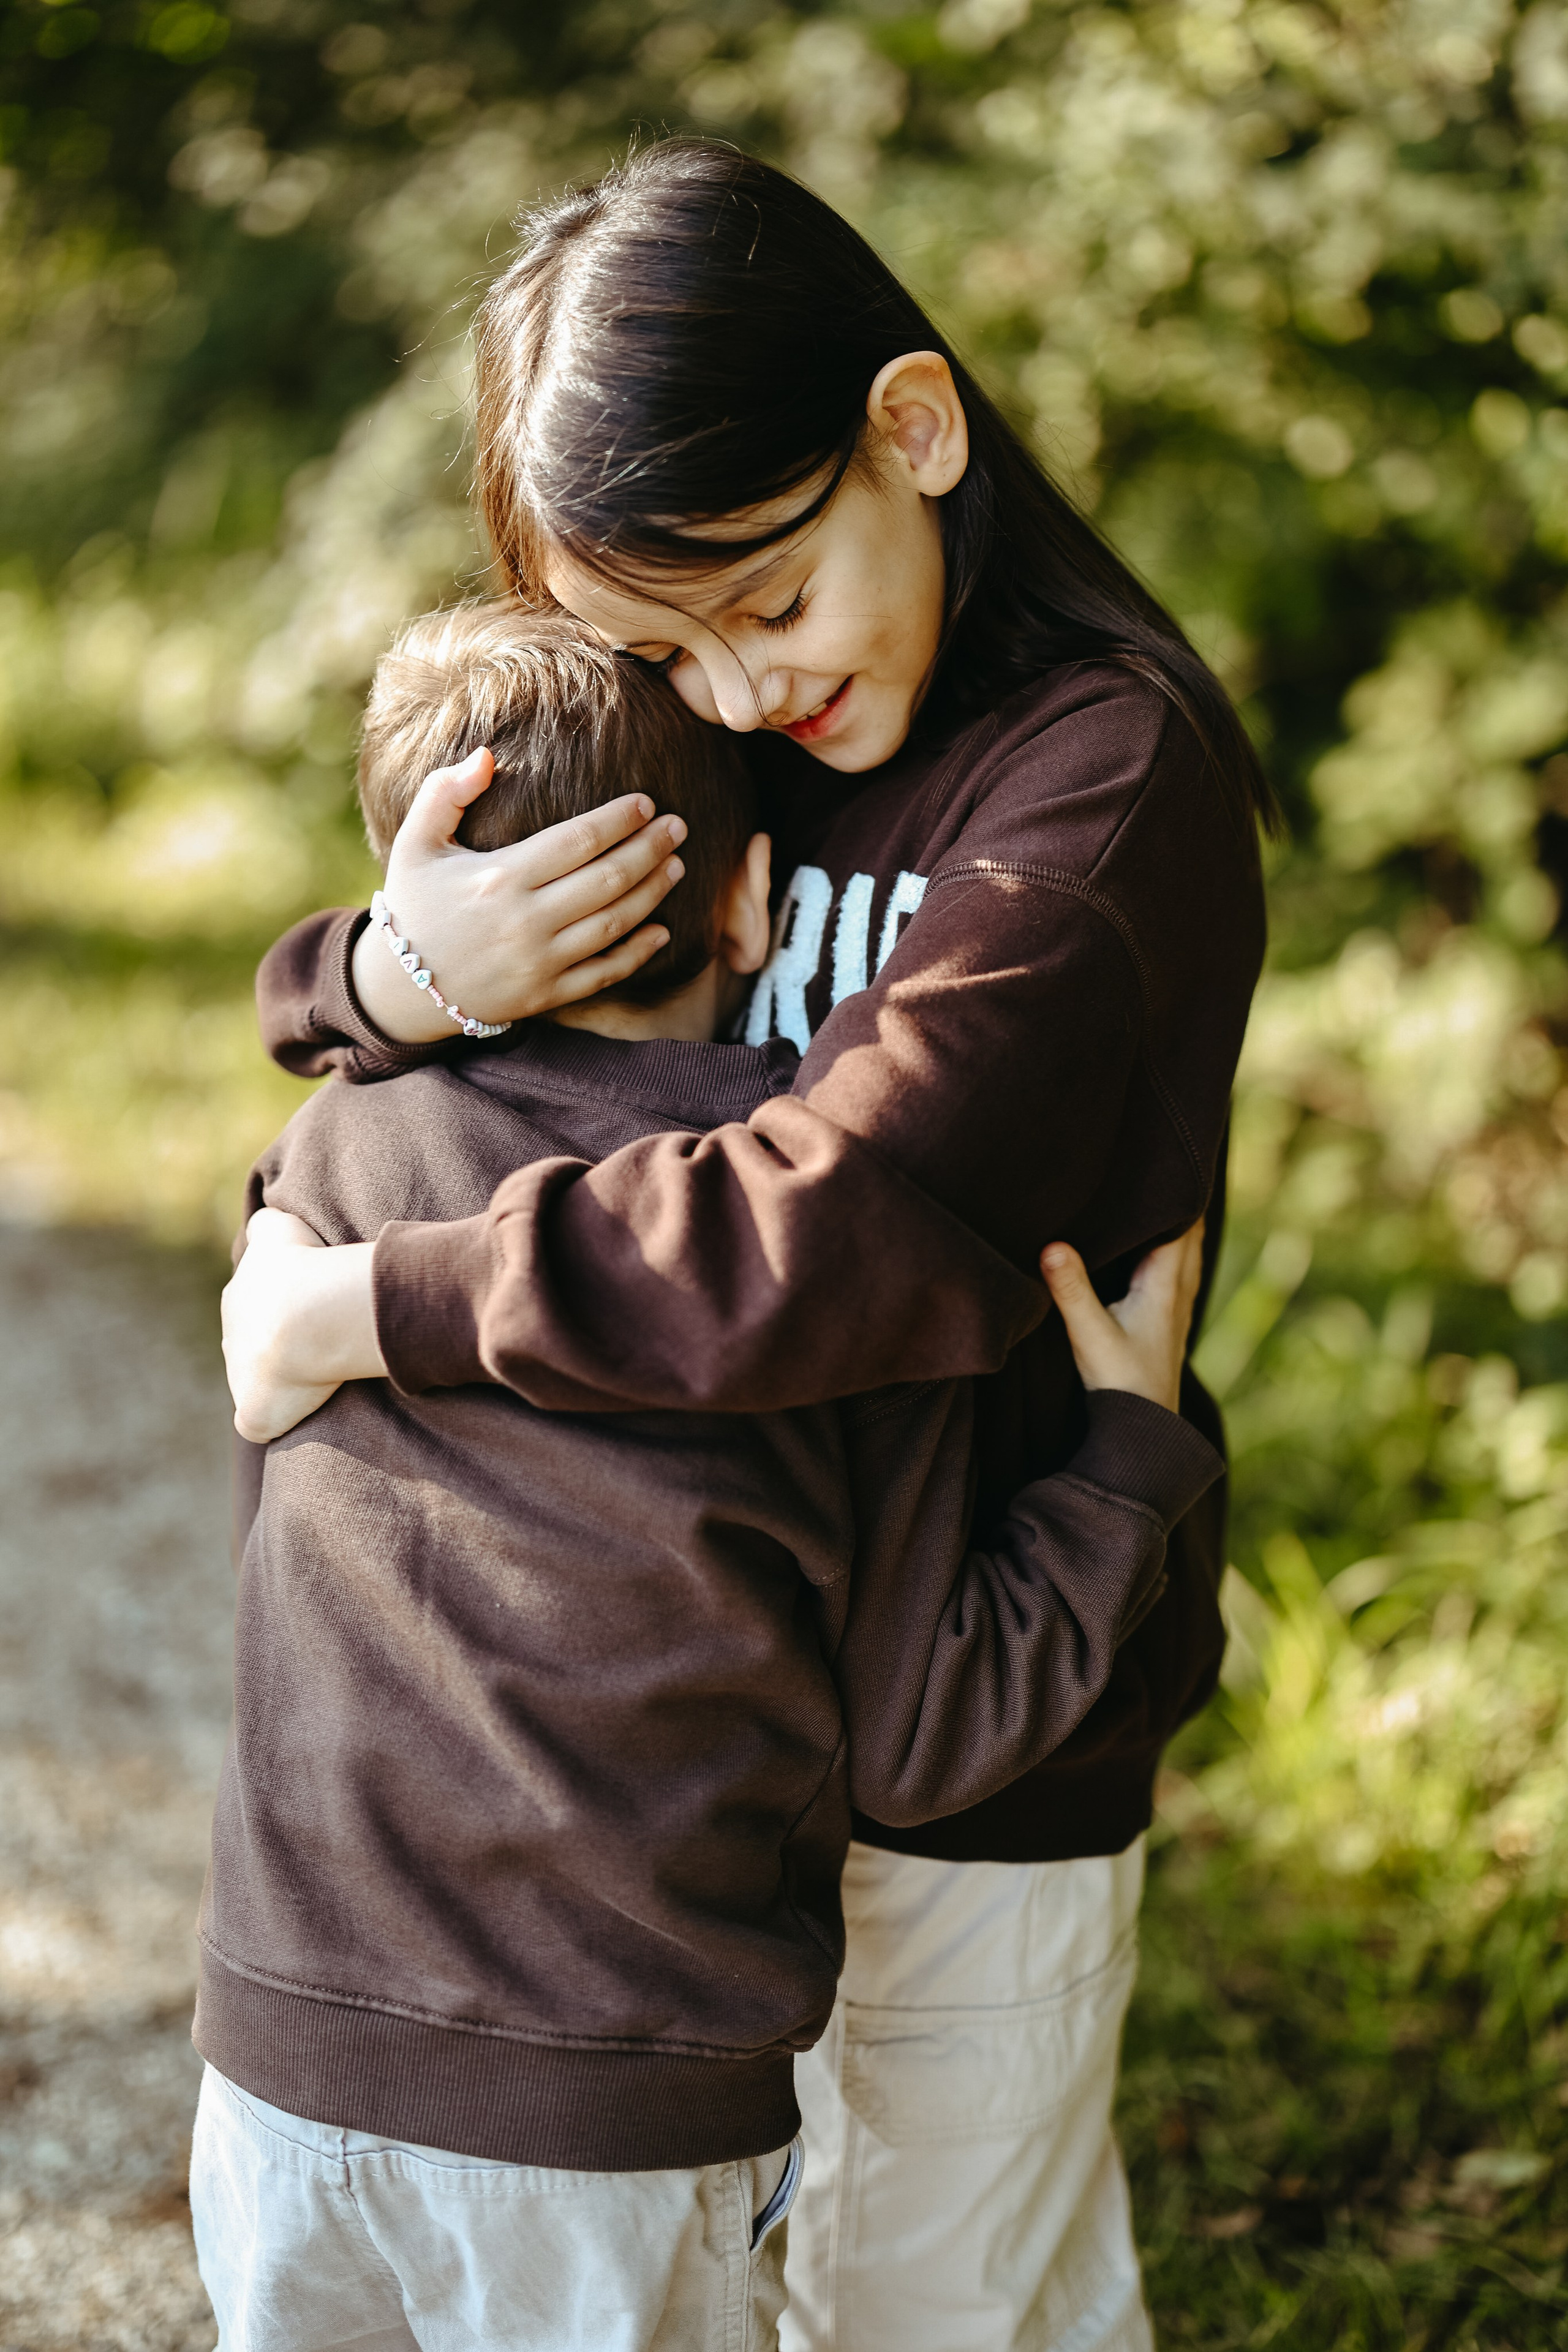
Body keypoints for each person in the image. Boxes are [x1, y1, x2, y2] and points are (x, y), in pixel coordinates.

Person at [222, 142, 1270, 2352]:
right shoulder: (742, 724)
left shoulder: (1096, 781)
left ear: (915, 430)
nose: (724, 699)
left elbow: (836, 1216)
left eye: (769, 601)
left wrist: (367, 1309)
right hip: (683, 1779)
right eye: (654, 649)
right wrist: (389, 976)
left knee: (933, 2308)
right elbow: (481, 1025)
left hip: (979, 1708)